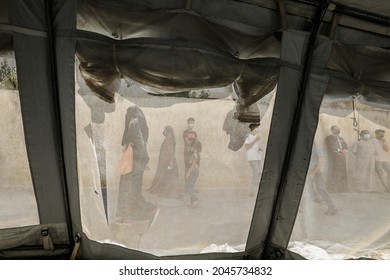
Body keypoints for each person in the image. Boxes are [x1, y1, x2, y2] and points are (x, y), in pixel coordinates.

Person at [116, 106, 159, 227]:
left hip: (134, 163)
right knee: (133, 190)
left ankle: (144, 213)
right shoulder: (139, 122)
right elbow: (141, 141)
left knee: (128, 189)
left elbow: (140, 143)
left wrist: (144, 160)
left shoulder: (134, 122)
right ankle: (130, 217)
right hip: (136, 163)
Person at [148, 126, 184, 199]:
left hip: (167, 162)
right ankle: (165, 192)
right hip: (164, 162)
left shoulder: (169, 140)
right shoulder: (169, 139)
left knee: (168, 177)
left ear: (168, 132)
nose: (164, 132)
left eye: (165, 131)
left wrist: (171, 162)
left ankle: (168, 193)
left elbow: (171, 152)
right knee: (165, 177)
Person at [307, 143, 338, 215]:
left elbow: (321, 160)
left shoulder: (315, 146)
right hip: (307, 172)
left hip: (316, 172)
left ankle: (332, 207)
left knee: (322, 189)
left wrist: (313, 173)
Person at [325, 125, 349, 192]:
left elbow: (345, 145)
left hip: (342, 157)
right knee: (335, 172)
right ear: (332, 130)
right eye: (336, 129)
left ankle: (343, 188)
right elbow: (331, 146)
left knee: (343, 171)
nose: (338, 130)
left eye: (339, 129)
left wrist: (345, 150)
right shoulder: (329, 138)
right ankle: (333, 188)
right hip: (334, 157)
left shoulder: (341, 138)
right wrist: (340, 151)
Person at [244, 123, 263, 197]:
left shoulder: (256, 136)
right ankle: (252, 191)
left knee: (258, 174)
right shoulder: (248, 136)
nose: (258, 130)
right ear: (253, 129)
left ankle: (253, 191)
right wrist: (255, 140)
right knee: (256, 173)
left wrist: (259, 149)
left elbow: (254, 147)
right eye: (257, 128)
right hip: (252, 158)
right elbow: (247, 147)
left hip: (258, 158)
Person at [183, 117, 201, 188]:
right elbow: (187, 142)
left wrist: (194, 145)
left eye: (193, 123)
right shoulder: (185, 132)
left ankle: (192, 187)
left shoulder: (194, 133)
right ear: (187, 123)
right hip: (187, 153)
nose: (192, 124)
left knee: (194, 170)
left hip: (193, 153)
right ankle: (187, 188)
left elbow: (197, 141)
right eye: (190, 123)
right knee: (187, 170)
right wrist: (194, 143)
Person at [185, 142, 201, 208]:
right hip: (196, 172)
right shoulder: (197, 154)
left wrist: (188, 173)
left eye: (191, 147)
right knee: (191, 187)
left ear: (194, 148)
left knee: (187, 187)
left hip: (193, 172)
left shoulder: (193, 155)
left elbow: (193, 164)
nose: (190, 148)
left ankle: (195, 199)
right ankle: (193, 203)